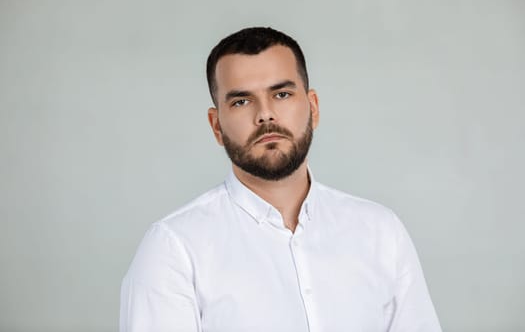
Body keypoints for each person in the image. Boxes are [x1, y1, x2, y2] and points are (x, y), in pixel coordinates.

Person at [120, 27, 442, 332]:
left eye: (282, 94)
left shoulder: (381, 233)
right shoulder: (174, 251)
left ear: (313, 107)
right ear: (216, 126)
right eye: (241, 101)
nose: (265, 114)